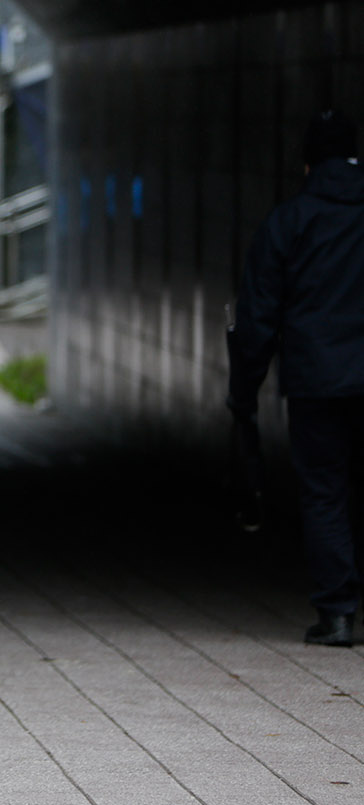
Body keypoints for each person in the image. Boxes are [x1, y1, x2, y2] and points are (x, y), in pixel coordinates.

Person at [228, 109, 364, 647]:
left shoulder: (289, 222)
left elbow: (257, 316)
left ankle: (338, 614)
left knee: (325, 491)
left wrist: (243, 393)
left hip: (318, 380)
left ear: (308, 164)